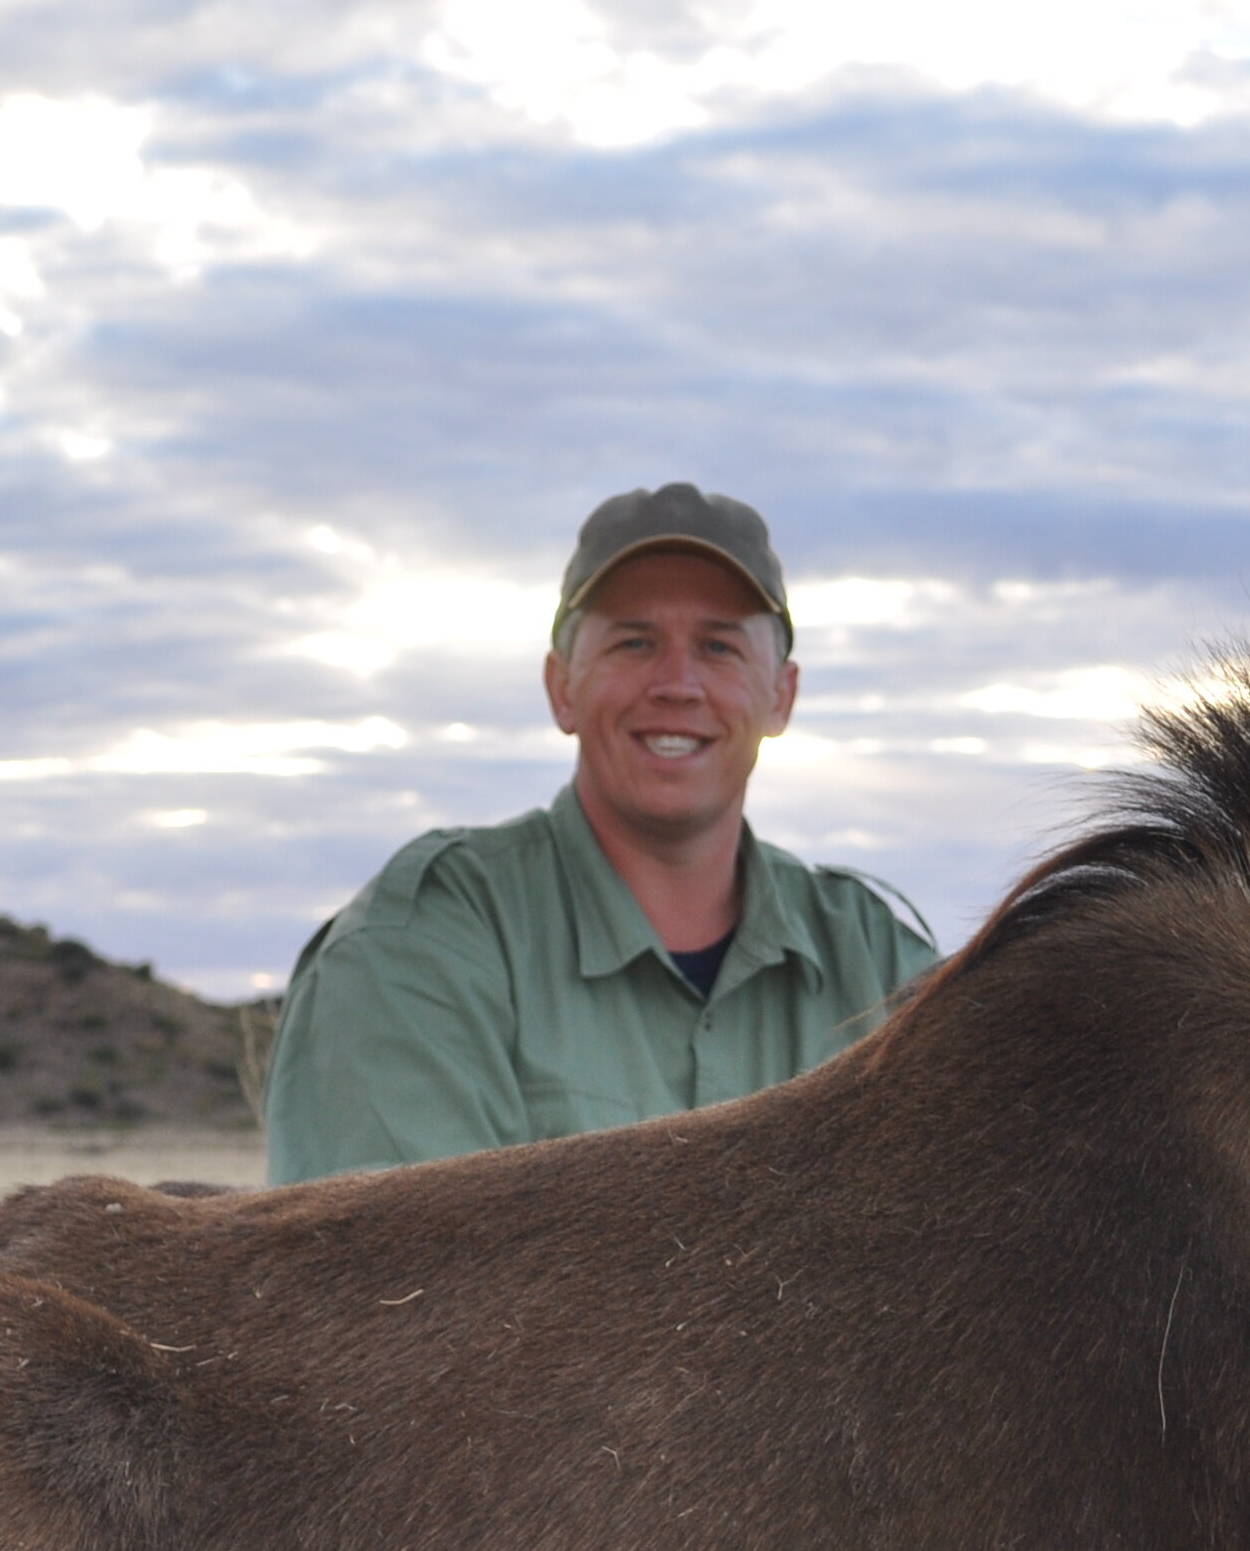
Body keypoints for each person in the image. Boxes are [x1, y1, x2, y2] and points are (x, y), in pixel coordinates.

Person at [261, 484, 938, 1181]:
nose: (677, 684)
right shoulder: (418, 943)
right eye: (634, 642)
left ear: (781, 696)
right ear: (562, 687)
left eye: (719, 647)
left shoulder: (884, 970)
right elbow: (393, 1275)